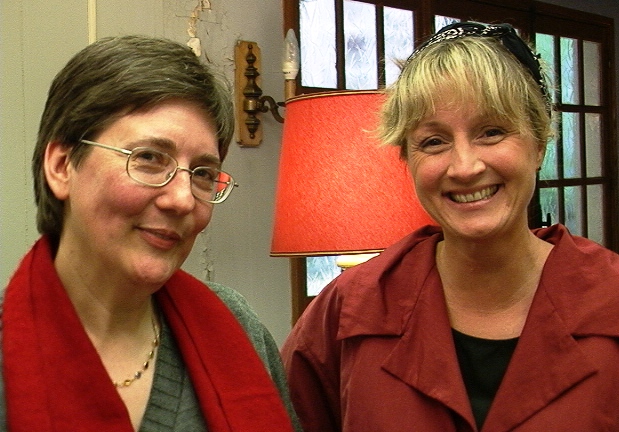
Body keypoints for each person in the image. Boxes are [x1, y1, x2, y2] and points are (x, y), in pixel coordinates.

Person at [281, 21, 619, 432]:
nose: (464, 167)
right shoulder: (349, 310)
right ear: (407, 159)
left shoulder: (610, 299)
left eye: (491, 132)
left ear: (539, 144)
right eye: (434, 142)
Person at [1, 35, 300, 432]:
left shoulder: (237, 326)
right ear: (61, 166)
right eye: (148, 158)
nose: (183, 200)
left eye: (203, 174)